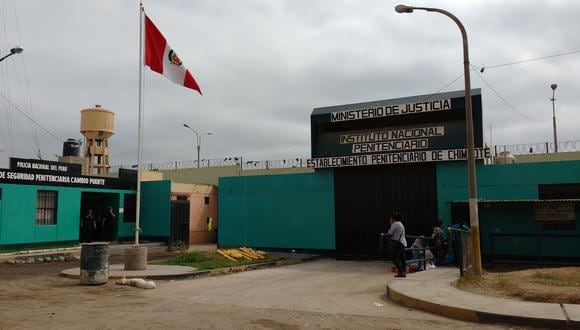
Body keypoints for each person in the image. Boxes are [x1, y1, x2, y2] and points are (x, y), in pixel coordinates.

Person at [387, 212, 407, 278]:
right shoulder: (400, 224)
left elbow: (389, 233)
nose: (390, 220)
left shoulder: (395, 224)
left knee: (394, 258)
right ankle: (403, 271)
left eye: (390, 219)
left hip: (398, 243)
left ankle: (401, 272)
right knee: (402, 258)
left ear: (393, 219)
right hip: (402, 243)